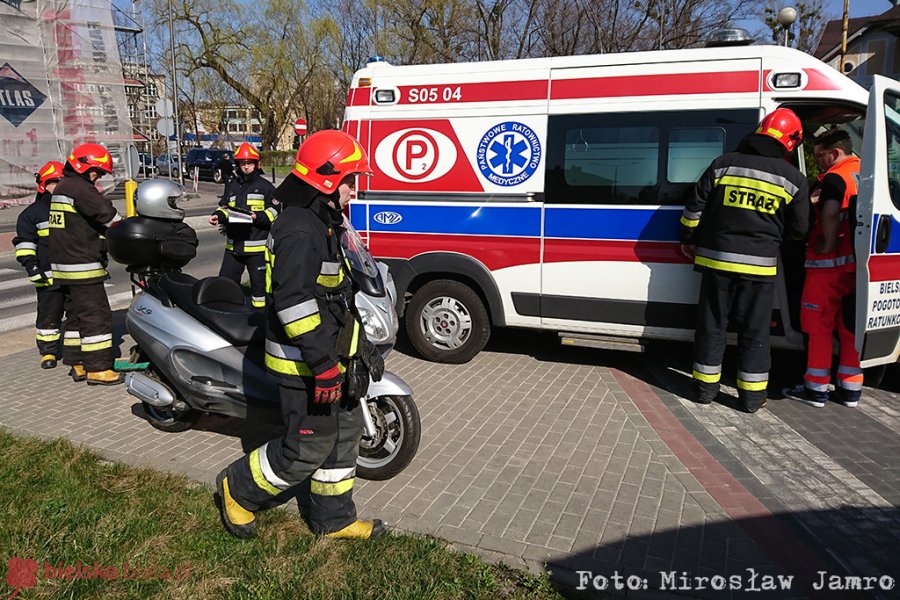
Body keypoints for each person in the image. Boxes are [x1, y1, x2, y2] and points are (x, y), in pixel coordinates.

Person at [216, 130, 385, 540]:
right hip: (305, 363)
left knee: (343, 439)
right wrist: (323, 365)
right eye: (350, 180)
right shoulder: (299, 229)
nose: (354, 190)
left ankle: (334, 519)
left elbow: (333, 290)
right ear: (327, 180)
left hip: (330, 356)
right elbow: (293, 303)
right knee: (305, 448)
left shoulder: (323, 218)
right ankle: (237, 489)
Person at [680, 108, 810, 413]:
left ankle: (704, 391)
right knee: (755, 332)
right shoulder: (794, 179)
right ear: (791, 142)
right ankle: (751, 399)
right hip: (759, 267)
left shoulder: (722, 164)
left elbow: (693, 210)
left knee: (712, 326)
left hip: (716, 261)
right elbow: (800, 230)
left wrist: (688, 240)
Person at [784, 128, 862, 408]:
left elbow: (830, 213)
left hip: (826, 268)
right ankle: (850, 390)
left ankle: (815, 389)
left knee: (817, 327)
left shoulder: (835, 178)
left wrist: (827, 243)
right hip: (854, 268)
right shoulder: (862, 172)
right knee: (850, 328)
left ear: (836, 152)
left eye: (819, 155)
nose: (817, 161)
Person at [49, 143, 124, 385]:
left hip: (64, 265)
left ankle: (78, 363)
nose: (99, 177)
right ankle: (98, 368)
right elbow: (109, 218)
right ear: (84, 165)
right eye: (98, 172)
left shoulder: (63, 186)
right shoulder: (81, 189)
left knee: (75, 317)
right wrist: (129, 227)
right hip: (83, 266)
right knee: (96, 316)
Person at [12, 161, 67, 369]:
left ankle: (75, 355)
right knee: (49, 316)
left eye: (63, 181)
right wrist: (32, 268)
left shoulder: (74, 207)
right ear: (44, 184)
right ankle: (48, 352)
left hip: (75, 275)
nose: (59, 186)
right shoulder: (31, 214)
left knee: (77, 317)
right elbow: (25, 244)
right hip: (48, 275)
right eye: (55, 182)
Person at [208, 142, 277, 308]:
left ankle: (260, 322)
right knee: (225, 285)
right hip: (234, 249)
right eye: (242, 163)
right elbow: (225, 207)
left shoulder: (266, 187)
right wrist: (217, 216)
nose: (246, 167)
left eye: (249, 163)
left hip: (257, 251)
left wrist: (257, 217)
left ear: (256, 164)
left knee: (259, 291)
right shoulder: (232, 186)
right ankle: (225, 315)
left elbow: (275, 212)